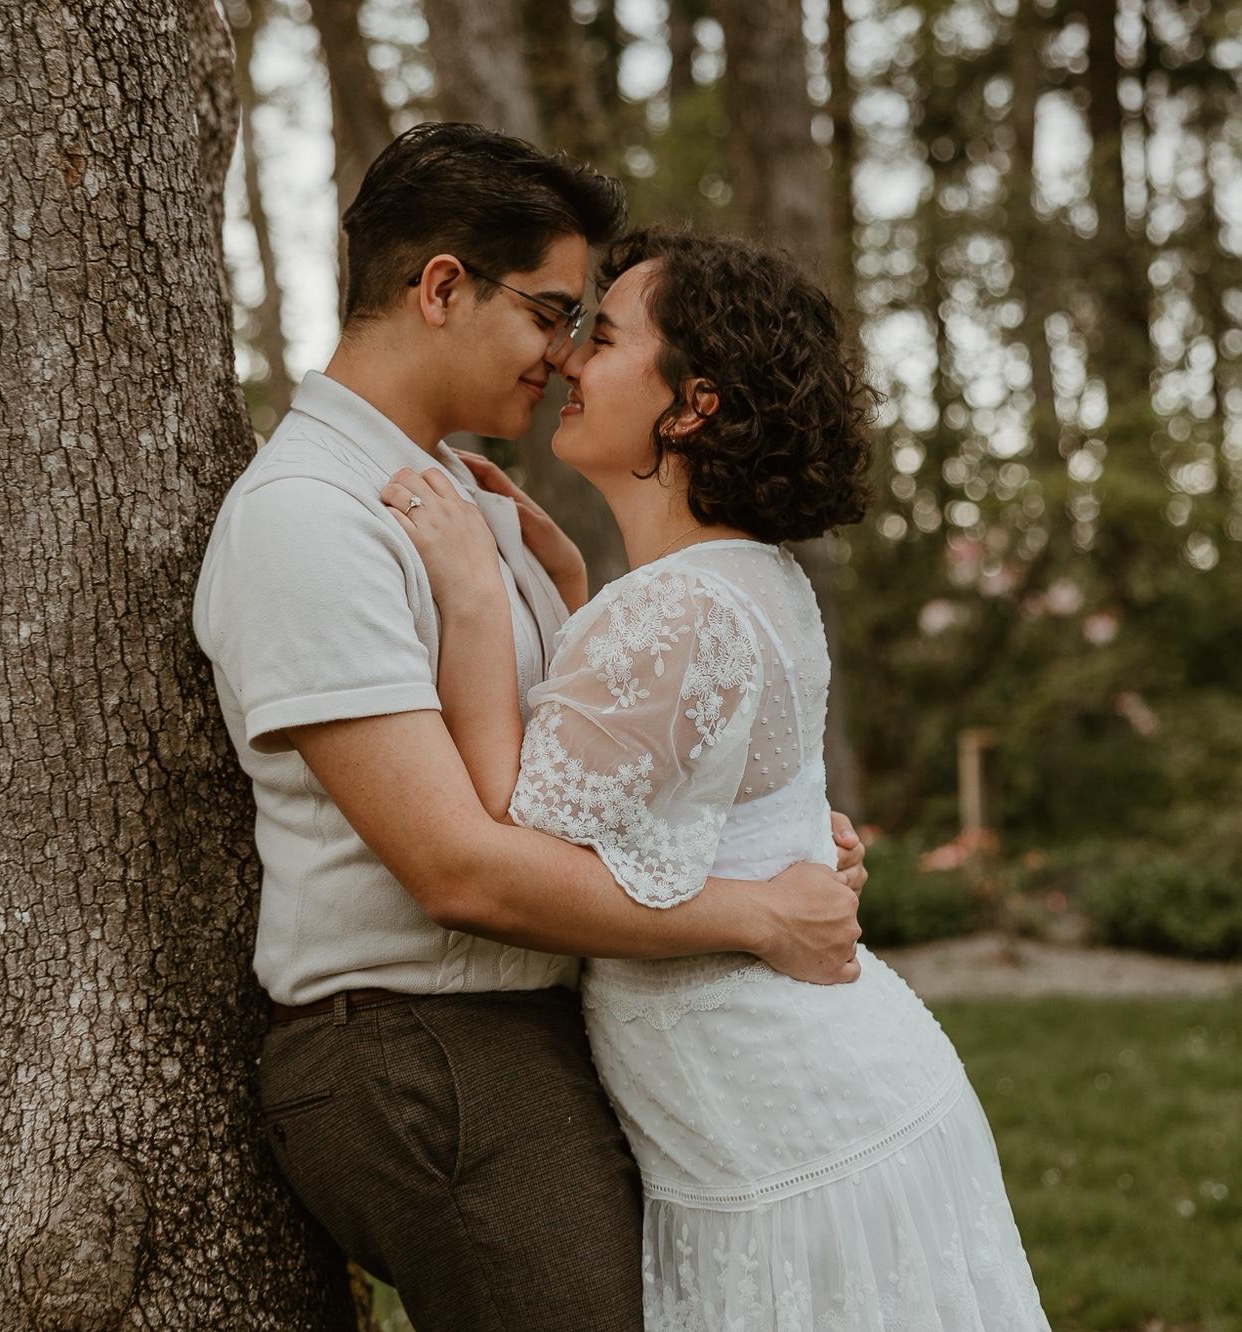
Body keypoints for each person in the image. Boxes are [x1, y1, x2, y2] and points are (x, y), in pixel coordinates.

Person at [194, 123, 867, 1331]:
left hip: (525, 1028)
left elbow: (577, 784)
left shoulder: (459, 498)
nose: (564, 357)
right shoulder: (311, 519)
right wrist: (759, 912)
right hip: (428, 1046)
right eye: (553, 314)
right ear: (442, 287)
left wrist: (771, 843)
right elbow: (457, 867)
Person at [385, 226, 1051, 1330]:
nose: (567, 358)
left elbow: (513, 835)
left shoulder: (678, 608)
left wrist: (471, 599)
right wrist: (571, 591)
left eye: (603, 338)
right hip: (840, 1095)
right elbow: (691, 791)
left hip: (781, 1141)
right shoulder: (751, 579)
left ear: (691, 406)